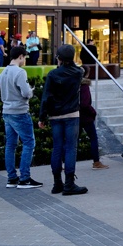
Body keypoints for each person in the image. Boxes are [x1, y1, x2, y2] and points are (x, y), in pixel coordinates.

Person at [38, 44, 89, 195]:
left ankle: (57, 183)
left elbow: (45, 97)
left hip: (55, 115)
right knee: (71, 148)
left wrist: (42, 117)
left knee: (57, 148)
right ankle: (69, 184)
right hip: (72, 114)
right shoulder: (77, 73)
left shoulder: (53, 75)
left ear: (59, 58)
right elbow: (79, 68)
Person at [0, 46, 42, 188]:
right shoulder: (20, 72)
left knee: (10, 145)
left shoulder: (3, 72)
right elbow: (25, 93)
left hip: (7, 111)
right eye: (24, 57)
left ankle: (12, 178)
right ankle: (25, 178)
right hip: (20, 111)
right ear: (20, 57)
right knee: (29, 143)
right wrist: (31, 91)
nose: (25, 60)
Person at [79, 72, 108, 170]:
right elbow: (84, 104)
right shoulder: (84, 86)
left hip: (75, 115)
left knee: (72, 141)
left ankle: (62, 163)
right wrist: (93, 112)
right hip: (85, 117)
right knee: (93, 138)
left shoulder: (74, 84)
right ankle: (96, 162)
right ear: (87, 74)